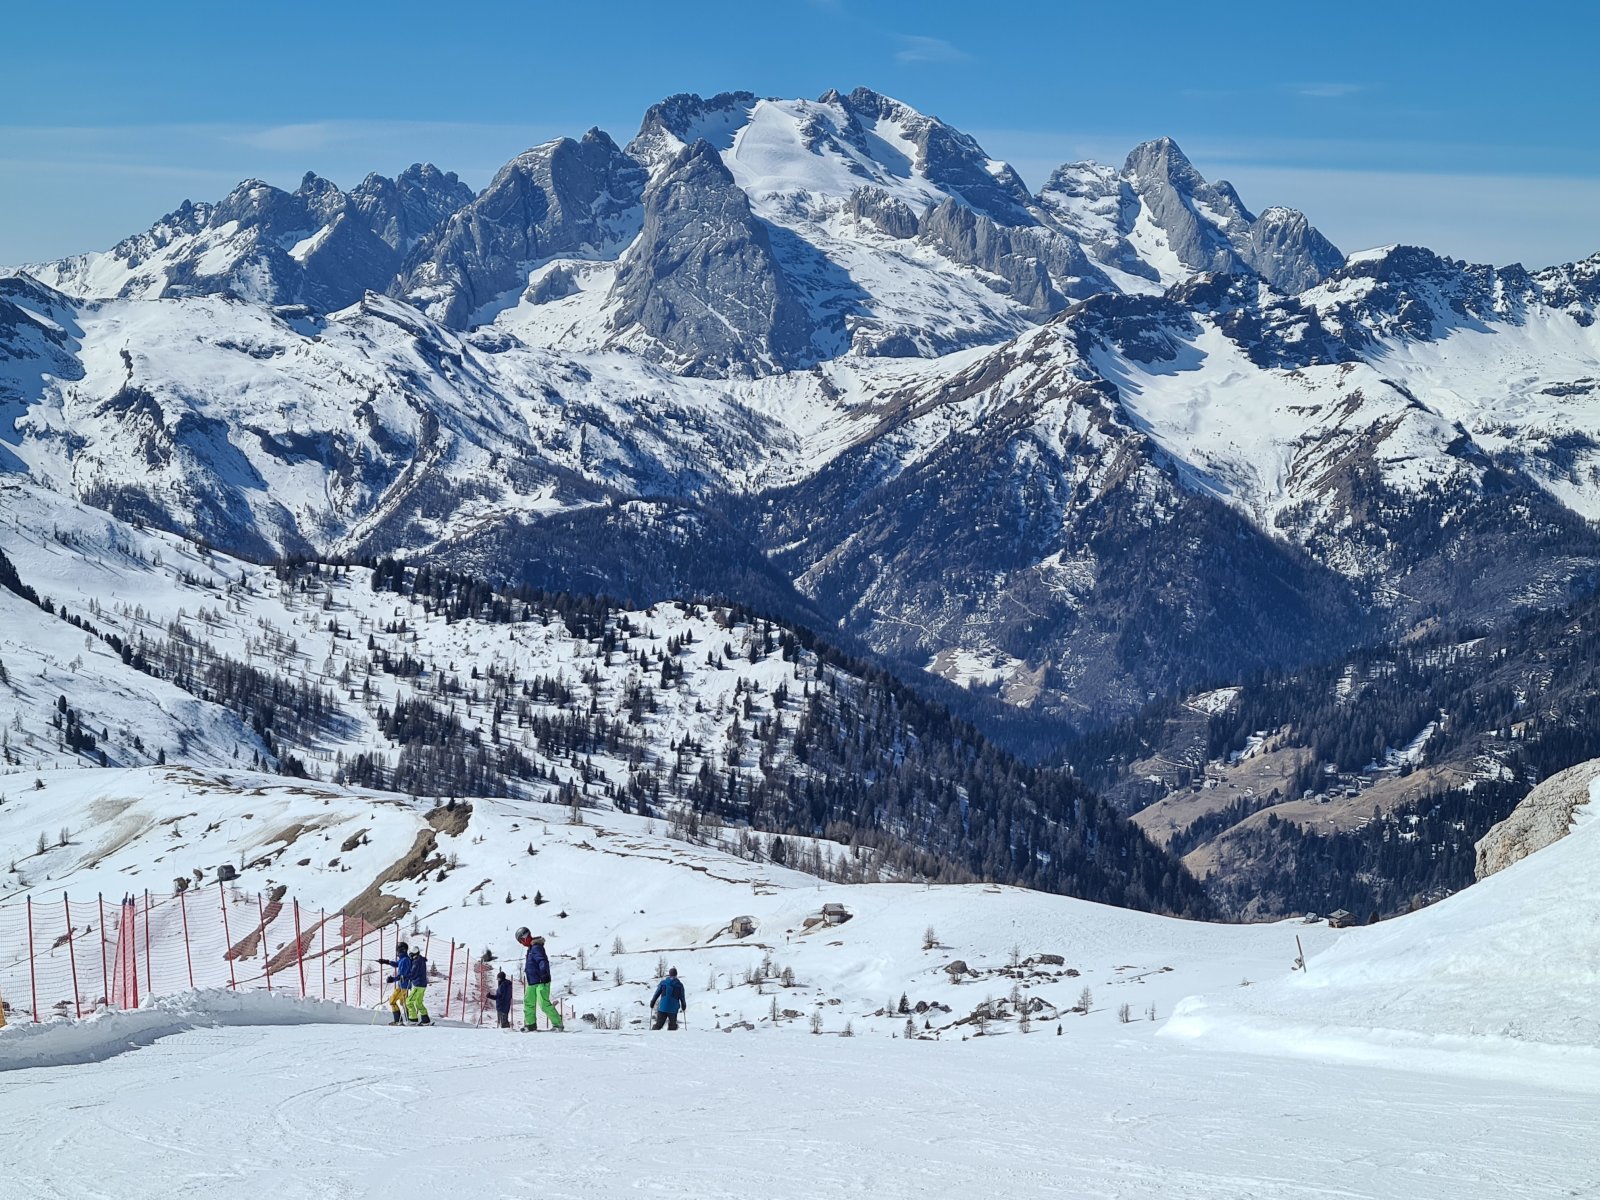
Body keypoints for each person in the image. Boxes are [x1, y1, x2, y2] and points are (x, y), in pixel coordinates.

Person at [516, 926, 563, 1031]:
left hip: (542, 980)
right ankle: (530, 1024)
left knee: (543, 1004)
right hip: (532, 982)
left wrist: (544, 973)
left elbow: (542, 961)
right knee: (528, 1003)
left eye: (520, 940)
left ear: (525, 937)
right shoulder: (531, 949)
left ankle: (558, 1024)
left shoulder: (536, 947)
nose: (521, 943)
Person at [378, 942, 413, 1025]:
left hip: (403, 986)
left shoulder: (405, 960)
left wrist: (392, 979)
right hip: (402, 985)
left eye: (398, 950)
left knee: (392, 1001)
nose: (397, 952)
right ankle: (407, 1020)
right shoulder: (403, 959)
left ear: (402, 950)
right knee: (403, 1003)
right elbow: (397, 964)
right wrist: (386, 961)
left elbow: (402, 976)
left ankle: (401, 1020)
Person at [649, 966, 686, 1031]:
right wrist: (683, 1005)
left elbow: (657, 993)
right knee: (672, 1026)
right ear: (676, 974)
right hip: (673, 1009)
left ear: (669, 974)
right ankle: (670, 1039)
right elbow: (682, 997)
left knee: (658, 1025)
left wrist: (652, 1002)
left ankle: (652, 1035)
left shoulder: (663, 983)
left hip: (663, 1007)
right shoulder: (679, 985)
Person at [407, 945, 432, 1025]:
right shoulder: (420, 960)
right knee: (418, 1002)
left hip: (418, 984)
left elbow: (413, 974)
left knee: (409, 1001)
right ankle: (425, 1020)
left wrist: (405, 977)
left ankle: (413, 1019)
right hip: (423, 984)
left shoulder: (416, 962)